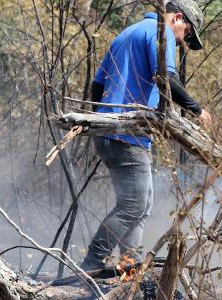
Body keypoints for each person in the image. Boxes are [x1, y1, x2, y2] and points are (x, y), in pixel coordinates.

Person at [81, 0, 211, 270]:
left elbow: (98, 84)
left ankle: (130, 267)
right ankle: (91, 264)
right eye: (187, 33)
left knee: (140, 205)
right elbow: (165, 79)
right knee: (134, 205)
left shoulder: (127, 33)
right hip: (126, 135)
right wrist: (197, 110)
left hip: (111, 132)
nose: (183, 41)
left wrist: (102, 120)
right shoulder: (160, 33)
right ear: (177, 18)